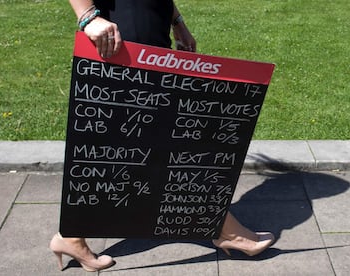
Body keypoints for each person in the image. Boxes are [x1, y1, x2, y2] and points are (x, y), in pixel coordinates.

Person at [50, 0, 274, 271]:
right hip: (124, 38)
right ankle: (226, 230)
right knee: (168, 142)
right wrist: (86, 16)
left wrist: (176, 21)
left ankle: (71, 237)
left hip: (151, 34)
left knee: (152, 144)